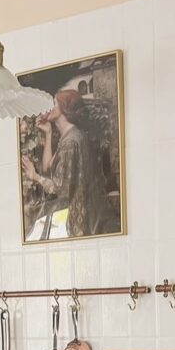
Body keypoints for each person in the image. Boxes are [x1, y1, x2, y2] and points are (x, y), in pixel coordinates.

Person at [21, 89, 111, 238]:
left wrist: (35, 177)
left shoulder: (71, 141)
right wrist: (48, 133)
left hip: (73, 221)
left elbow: (61, 188)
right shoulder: (70, 136)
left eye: (54, 103)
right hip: (71, 216)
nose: (49, 107)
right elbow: (47, 168)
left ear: (64, 107)